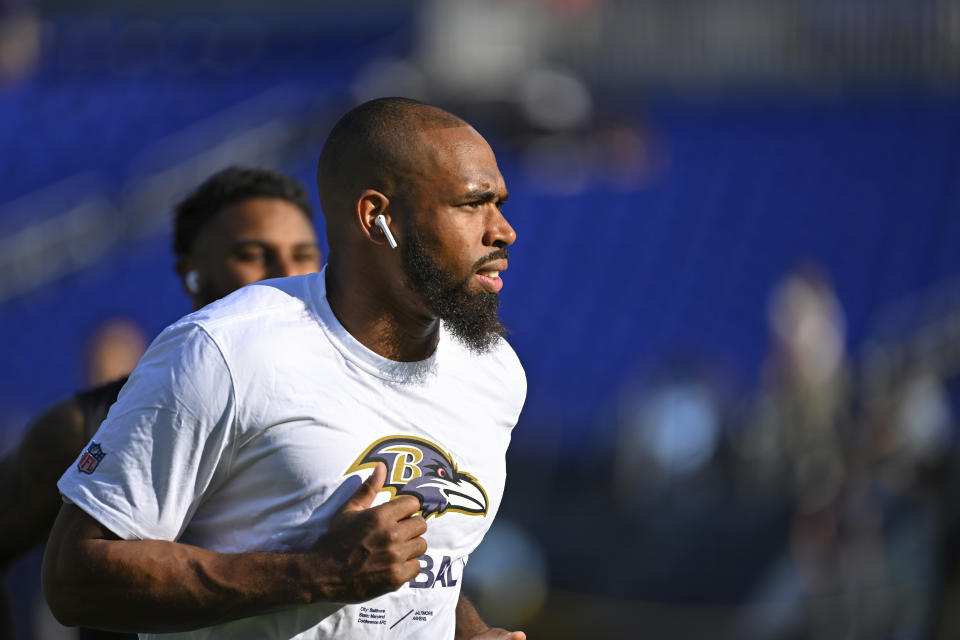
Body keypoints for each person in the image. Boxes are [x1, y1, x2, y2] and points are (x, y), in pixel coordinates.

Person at [42, 97, 527, 639]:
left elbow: (420, 567)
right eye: (472, 204)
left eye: (500, 204)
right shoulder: (226, 352)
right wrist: (316, 574)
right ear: (377, 218)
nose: (502, 231)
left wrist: (469, 632)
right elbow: (75, 577)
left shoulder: (493, 374)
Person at [0, 166, 322, 639]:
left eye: (304, 255)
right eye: (253, 255)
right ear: (191, 273)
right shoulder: (86, 426)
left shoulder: (372, 397)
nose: (286, 276)